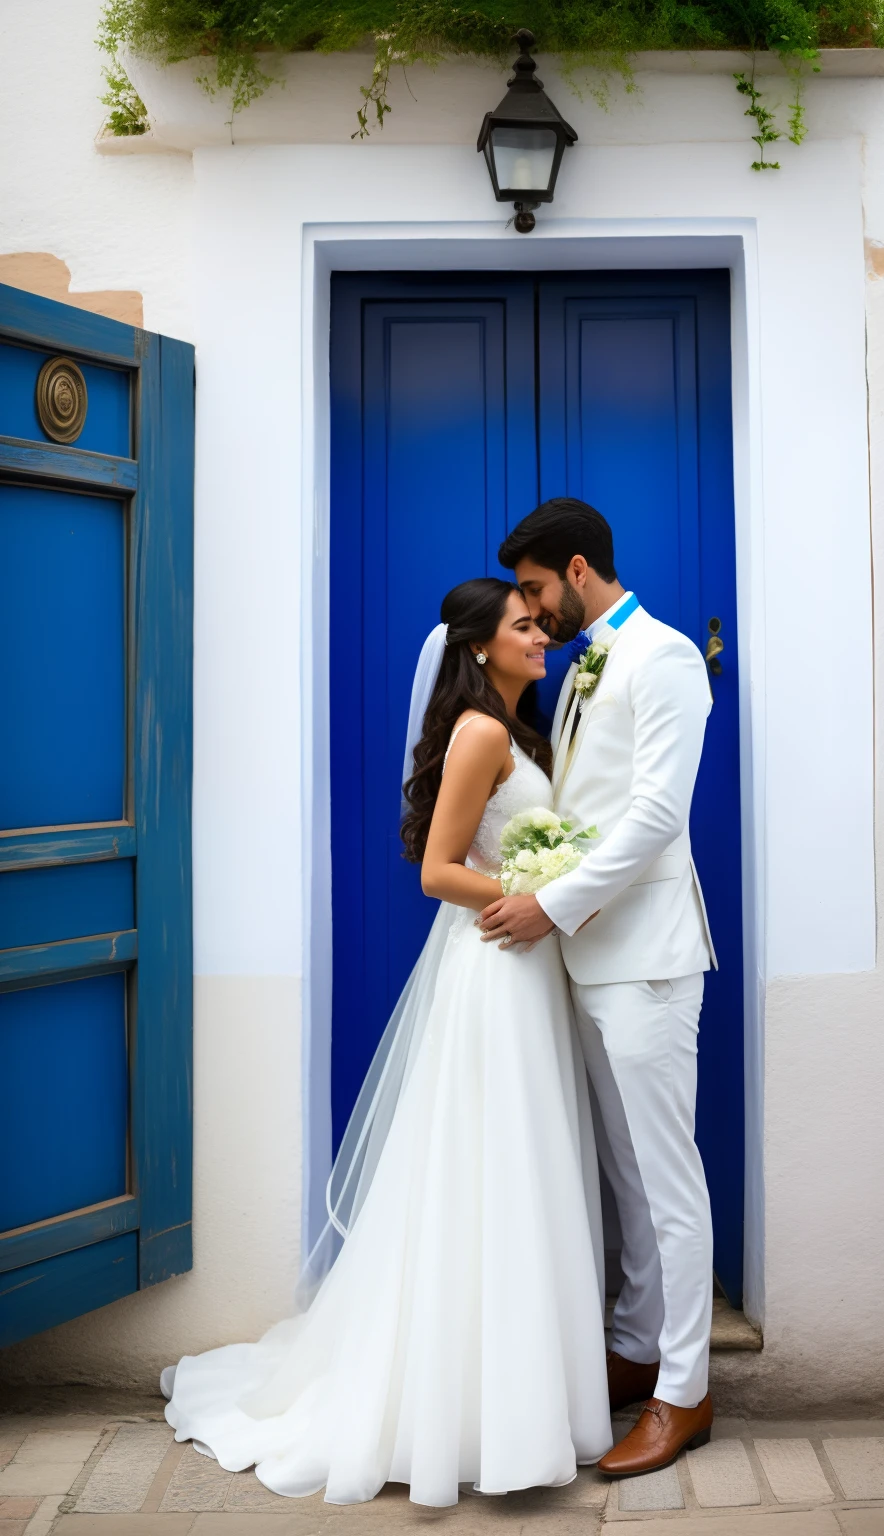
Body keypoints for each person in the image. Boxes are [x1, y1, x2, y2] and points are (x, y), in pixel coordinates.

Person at [159, 577, 611, 1508]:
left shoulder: (522, 732)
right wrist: (533, 893)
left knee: (518, 1167)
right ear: (481, 648)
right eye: (525, 627)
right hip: (492, 968)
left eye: (540, 623)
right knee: (489, 1171)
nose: (542, 636)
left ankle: (519, 1401)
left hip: (526, 970)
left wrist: (548, 888)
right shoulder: (483, 733)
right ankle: (466, 1410)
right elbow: (439, 873)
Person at [485, 498, 717, 1478]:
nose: (532, 612)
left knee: (667, 1179)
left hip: (649, 955)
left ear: (578, 570)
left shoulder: (661, 657)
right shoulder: (585, 667)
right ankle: (634, 1346)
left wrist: (555, 903)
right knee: (623, 1171)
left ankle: (686, 1392)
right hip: (589, 955)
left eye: (537, 590)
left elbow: (659, 813)